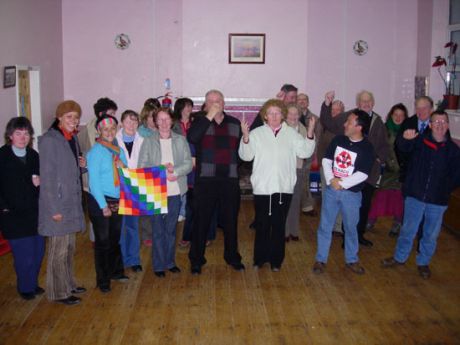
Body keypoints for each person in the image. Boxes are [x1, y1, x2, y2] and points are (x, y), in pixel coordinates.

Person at [382, 111, 460, 279]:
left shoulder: (453, 151)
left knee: (430, 234)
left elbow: (456, 176)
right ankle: (399, 257)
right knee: (408, 229)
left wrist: (444, 189)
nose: (440, 124)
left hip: (437, 200)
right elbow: (402, 148)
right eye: (436, 122)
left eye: (443, 122)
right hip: (415, 196)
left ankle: (423, 262)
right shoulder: (419, 141)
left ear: (447, 125)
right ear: (430, 125)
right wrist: (405, 138)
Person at [240, 99, 316, 271]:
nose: (274, 116)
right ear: (265, 116)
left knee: (278, 225)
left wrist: (310, 132)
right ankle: (259, 259)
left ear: (282, 116)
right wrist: (245, 138)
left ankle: (276, 261)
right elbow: (246, 156)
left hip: (284, 188)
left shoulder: (291, 134)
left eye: (277, 113)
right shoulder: (257, 133)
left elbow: (305, 151)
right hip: (262, 188)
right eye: (270, 113)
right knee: (262, 224)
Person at [320, 90, 389, 247]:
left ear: (373, 103)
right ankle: (347, 238)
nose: (366, 104)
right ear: (358, 103)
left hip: (369, 172)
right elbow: (328, 122)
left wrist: (379, 158)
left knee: (364, 206)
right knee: (348, 207)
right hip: (348, 172)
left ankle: (359, 235)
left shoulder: (378, 121)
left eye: (369, 101)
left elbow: (385, 145)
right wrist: (327, 104)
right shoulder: (349, 117)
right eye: (363, 101)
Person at [187, 89, 245, 275]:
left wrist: (245, 140)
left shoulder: (235, 123)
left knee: (230, 222)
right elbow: (192, 138)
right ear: (205, 104)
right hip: (206, 181)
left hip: (229, 181)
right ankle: (196, 259)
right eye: (210, 101)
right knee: (201, 222)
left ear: (224, 103)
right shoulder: (199, 122)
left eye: (218, 100)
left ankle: (232, 257)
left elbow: (242, 154)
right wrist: (208, 116)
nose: (215, 103)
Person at [313, 109, 375, 275]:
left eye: (349, 122)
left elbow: (363, 173)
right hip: (332, 190)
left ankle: (351, 260)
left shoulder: (367, 148)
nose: (345, 124)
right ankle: (320, 259)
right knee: (325, 225)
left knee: (350, 227)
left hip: (352, 195)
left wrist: (343, 183)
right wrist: (331, 180)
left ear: (359, 127)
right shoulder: (338, 140)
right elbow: (326, 160)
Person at [38, 100, 87, 305]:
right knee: (58, 251)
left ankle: (68, 283)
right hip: (58, 204)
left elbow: (70, 169)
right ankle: (58, 292)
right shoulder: (50, 140)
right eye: (69, 117)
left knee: (68, 248)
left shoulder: (71, 138)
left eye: (76, 117)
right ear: (59, 118)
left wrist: (81, 166)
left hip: (71, 201)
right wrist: (54, 210)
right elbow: (47, 178)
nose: (73, 121)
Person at [138, 107, 192, 277]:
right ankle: (158, 265)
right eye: (159, 119)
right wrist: (160, 171)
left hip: (175, 191)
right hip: (155, 190)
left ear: (172, 121)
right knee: (157, 230)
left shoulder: (181, 140)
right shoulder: (148, 141)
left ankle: (170, 262)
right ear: (154, 122)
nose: (163, 123)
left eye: (166, 119)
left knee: (170, 230)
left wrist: (174, 172)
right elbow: (142, 166)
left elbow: (188, 164)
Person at [0, 117, 44, 300]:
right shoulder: (2, 156)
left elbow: (41, 183)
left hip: (34, 213)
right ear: (10, 135)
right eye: (18, 133)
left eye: (26, 133)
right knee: (24, 255)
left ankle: (32, 282)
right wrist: (3, 208)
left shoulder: (34, 156)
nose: (22, 137)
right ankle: (25, 287)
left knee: (37, 252)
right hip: (13, 215)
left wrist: (40, 183)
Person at [87, 114, 129, 293]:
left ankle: (116, 271)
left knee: (114, 239)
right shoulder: (95, 152)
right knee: (103, 242)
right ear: (99, 131)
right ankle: (103, 280)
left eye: (112, 129)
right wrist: (103, 206)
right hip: (100, 201)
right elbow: (94, 182)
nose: (109, 132)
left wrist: (121, 165)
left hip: (117, 199)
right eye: (105, 129)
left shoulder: (117, 149)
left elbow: (126, 171)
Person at [367, 104, 408, 237]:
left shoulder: (408, 131)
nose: (398, 117)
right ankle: (370, 221)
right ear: (391, 115)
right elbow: (377, 145)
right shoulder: (384, 129)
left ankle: (397, 223)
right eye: (395, 114)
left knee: (399, 198)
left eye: (401, 115)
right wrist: (379, 158)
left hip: (402, 171)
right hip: (388, 170)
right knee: (381, 196)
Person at [116, 110, 144, 272]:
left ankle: (133, 259)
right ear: (122, 123)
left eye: (135, 122)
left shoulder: (143, 140)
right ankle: (120, 258)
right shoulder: (113, 140)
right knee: (119, 226)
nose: (131, 125)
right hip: (118, 188)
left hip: (136, 186)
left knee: (133, 226)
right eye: (128, 121)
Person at [283, 103, 313, 241]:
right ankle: (284, 231)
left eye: (296, 114)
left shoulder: (305, 130)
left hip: (298, 169)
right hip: (283, 170)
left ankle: (294, 231)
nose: (293, 117)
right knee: (283, 202)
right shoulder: (280, 129)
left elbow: (310, 149)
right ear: (285, 115)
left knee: (295, 201)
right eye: (291, 113)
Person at [317, 99, 345, 235]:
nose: (334, 113)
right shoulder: (324, 126)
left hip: (340, 169)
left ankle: (338, 226)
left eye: (337, 111)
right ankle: (327, 226)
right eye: (332, 110)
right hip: (325, 167)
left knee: (339, 197)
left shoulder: (343, 128)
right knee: (326, 198)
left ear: (342, 112)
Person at [297, 93, 321, 216]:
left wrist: (315, 156)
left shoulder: (315, 119)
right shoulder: (292, 117)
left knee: (307, 181)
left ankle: (308, 206)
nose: (301, 102)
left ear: (308, 102)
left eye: (304, 100)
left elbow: (318, 138)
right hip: (296, 155)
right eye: (299, 100)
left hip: (310, 156)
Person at [172, 97, 194, 223]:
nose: (189, 109)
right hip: (178, 157)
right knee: (178, 184)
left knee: (188, 185)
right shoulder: (173, 123)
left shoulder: (195, 122)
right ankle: (178, 210)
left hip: (192, 157)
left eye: (190, 106)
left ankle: (184, 211)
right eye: (186, 106)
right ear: (180, 108)